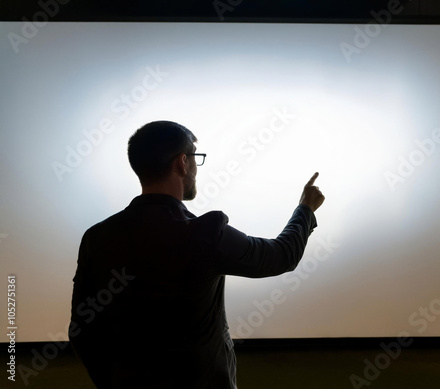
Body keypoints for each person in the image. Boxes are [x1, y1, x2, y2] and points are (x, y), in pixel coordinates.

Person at [69, 120, 325, 388]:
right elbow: (281, 255)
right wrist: (305, 209)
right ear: (182, 162)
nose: (195, 167)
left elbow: (80, 330)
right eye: (194, 157)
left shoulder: (97, 237)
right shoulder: (206, 233)